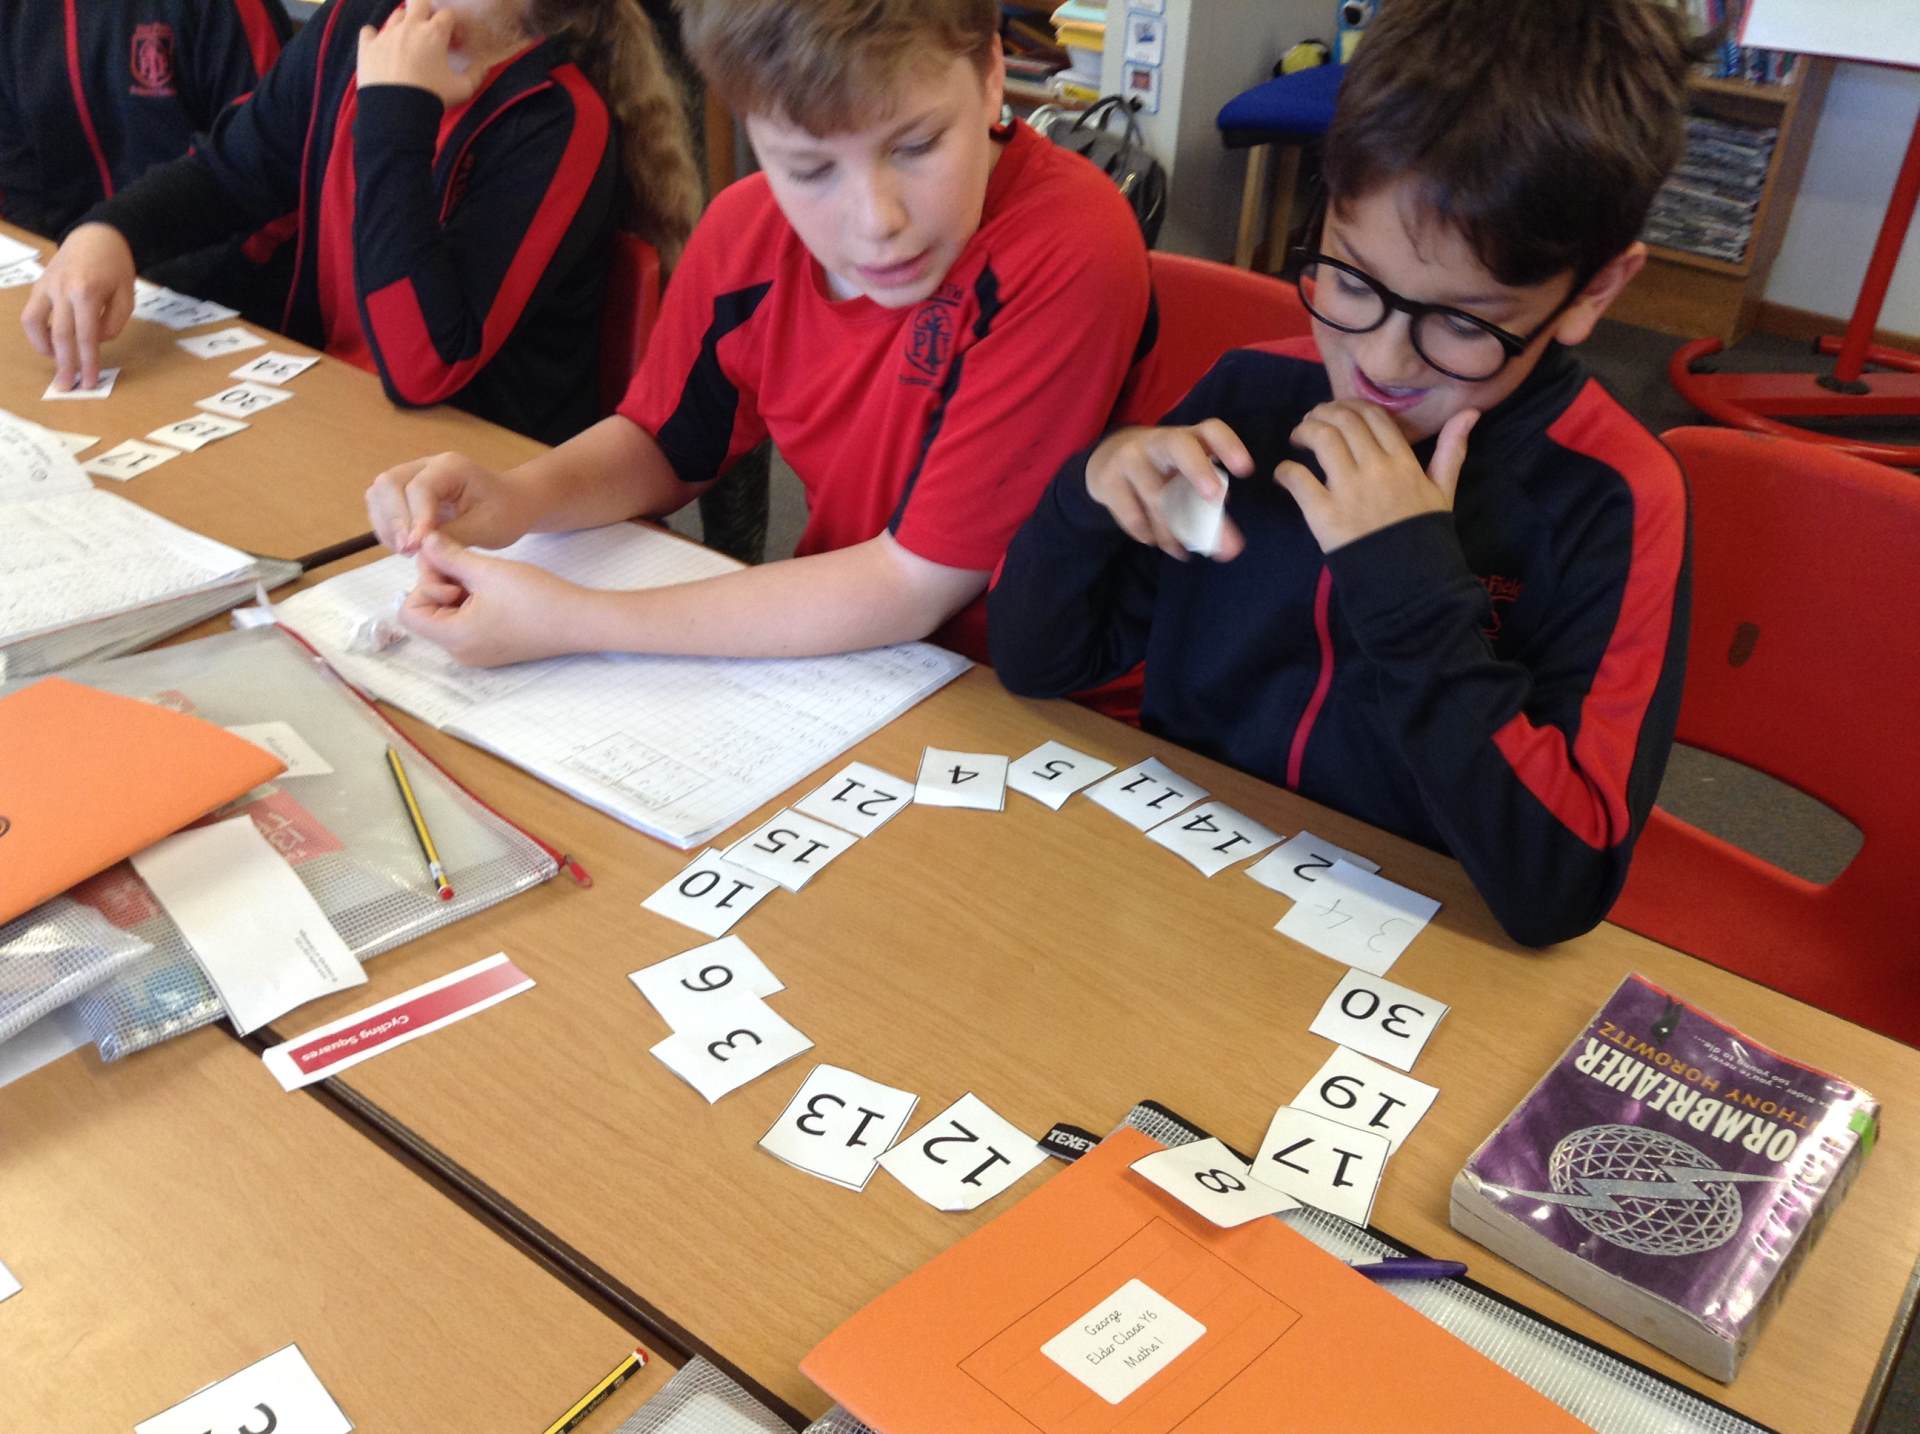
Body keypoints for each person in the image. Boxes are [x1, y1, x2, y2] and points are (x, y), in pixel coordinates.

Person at [988, 0, 1697, 947]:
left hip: (1415, 946)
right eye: (1352, 280)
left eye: (1464, 323)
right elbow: (1039, 661)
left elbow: (1558, 888)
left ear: (1592, 291)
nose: (1381, 363)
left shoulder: (1611, 498)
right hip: (1174, 902)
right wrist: (1090, 493)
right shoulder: (1249, 395)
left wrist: (1413, 596)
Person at [360, 0, 1156, 667]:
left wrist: (572, 621)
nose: (877, 221)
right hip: (849, 660)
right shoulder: (747, 229)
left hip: (1034, 699)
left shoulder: (1069, 240)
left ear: (990, 77)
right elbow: (665, 443)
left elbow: (916, 586)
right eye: (809, 170)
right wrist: (518, 496)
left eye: (915, 146)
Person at [22, 0, 700, 446]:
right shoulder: (360, 21)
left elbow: (422, 366)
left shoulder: (557, 120)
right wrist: (111, 233)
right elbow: (233, 172)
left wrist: (394, 114)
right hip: (336, 417)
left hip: (469, 468)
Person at [0, 0, 290, 241]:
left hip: (201, 275)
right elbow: (15, 179)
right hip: (67, 270)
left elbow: (270, 177)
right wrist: (48, 263)